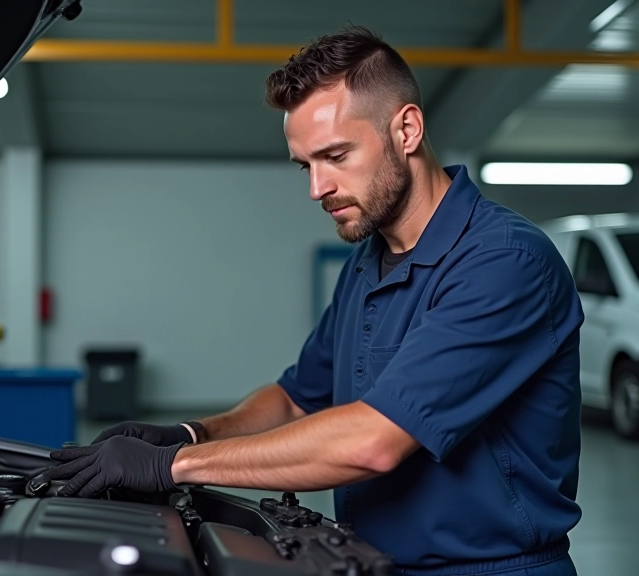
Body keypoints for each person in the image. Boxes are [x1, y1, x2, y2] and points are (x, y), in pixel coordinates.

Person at [31, 26, 585, 576]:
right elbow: (297, 399)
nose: (317, 188)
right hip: (372, 562)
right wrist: (193, 433)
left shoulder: (505, 261)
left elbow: (372, 441)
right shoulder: (368, 262)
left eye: (336, 155)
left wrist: (171, 465)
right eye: (306, 165)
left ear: (407, 129)